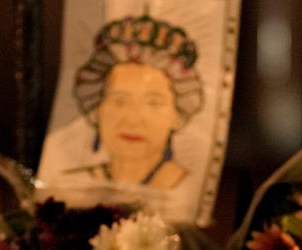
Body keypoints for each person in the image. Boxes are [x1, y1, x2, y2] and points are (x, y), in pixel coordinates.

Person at [68, 14, 205, 190]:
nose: (133, 120)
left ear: (176, 114)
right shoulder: (69, 185)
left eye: (153, 104)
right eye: (119, 101)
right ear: (96, 109)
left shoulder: (189, 189)